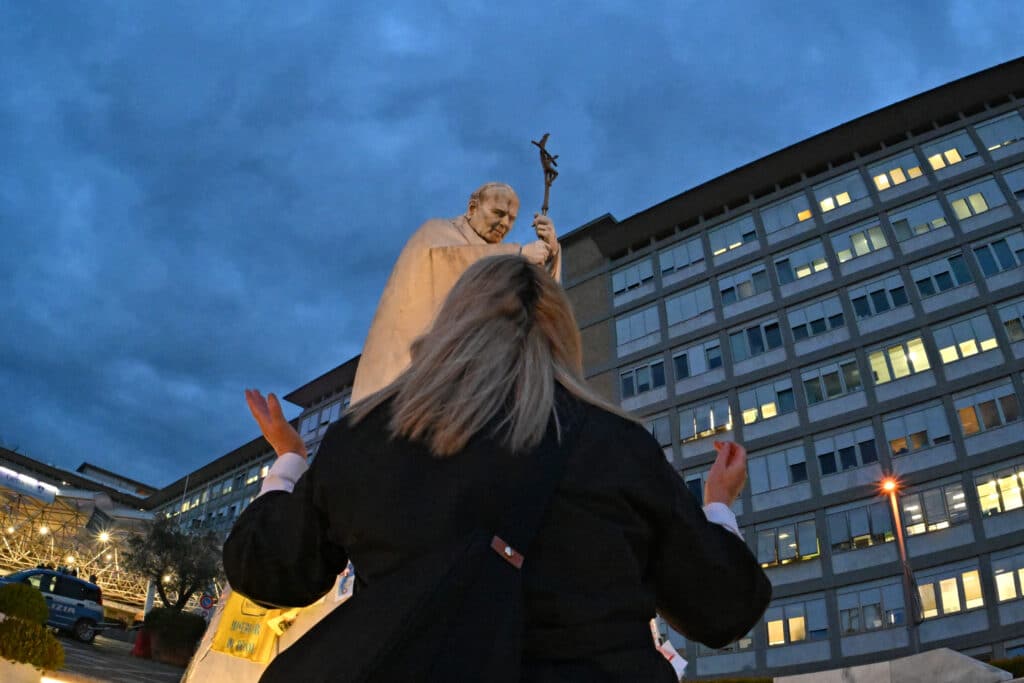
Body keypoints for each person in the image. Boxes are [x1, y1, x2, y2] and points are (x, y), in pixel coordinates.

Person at [224, 255, 770, 681]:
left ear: (450, 328)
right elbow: (720, 607)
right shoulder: (618, 447)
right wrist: (718, 506)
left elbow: (271, 571)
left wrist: (290, 462)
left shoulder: (368, 437)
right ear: (563, 337)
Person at [350, 182, 560, 402]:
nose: (504, 224)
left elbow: (536, 305)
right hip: (412, 375)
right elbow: (443, 267)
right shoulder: (435, 233)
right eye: (498, 213)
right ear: (472, 208)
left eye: (511, 219)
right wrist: (517, 254)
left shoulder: (495, 253)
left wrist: (550, 252)